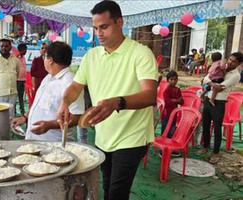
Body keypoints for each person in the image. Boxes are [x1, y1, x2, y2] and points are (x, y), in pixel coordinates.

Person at [57, 1, 157, 200]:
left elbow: (149, 95)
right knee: (106, 184)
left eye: (104, 26)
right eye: (95, 28)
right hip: (104, 134)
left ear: (119, 22)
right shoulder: (91, 56)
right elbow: (76, 87)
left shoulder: (140, 53)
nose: (99, 33)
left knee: (117, 193)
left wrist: (116, 102)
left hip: (132, 136)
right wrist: (64, 103)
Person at [11, 41, 84, 141]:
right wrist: (25, 117)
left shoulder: (70, 82)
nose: (43, 59)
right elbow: (39, 103)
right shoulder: (48, 77)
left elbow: (77, 117)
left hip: (54, 142)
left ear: (50, 60)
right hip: (35, 139)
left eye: (45, 56)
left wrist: (49, 125)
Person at [196, 52, 243, 163]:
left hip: (219, 103)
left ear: (239, 63)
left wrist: (210, 83)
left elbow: (221, 87)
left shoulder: (235, 75)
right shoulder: (221, 66)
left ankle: (216, 152)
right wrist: (212, 84)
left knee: (217, 129)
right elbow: (205, 78)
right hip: (208, 99)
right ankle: (205, 147)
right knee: (205, 125)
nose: (230, 62)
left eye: (234, 61)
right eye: (230, 59)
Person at [161, 70, 184, 138]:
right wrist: (177, 100)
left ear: (177, 80)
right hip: (166, 114)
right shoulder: (166, 90)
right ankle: (162, 146)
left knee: (171, 131)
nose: (173, 81)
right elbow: (167, 102)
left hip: (174, 114)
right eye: (171, 79)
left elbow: (182, 102)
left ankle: (169, 145)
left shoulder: (177, 89)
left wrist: (174, 100)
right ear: (168, 80)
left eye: (175, 79)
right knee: (165, 130)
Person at [16, 43, 27, 115]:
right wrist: (18, 55)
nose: (26, 51)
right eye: (25, 50)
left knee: (21, 97)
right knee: (14, 97)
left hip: (23, 80)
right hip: (16, 80)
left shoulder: (24, 58)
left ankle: (22, 111)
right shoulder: (15, 58)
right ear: (21, 50)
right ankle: (13, 111)